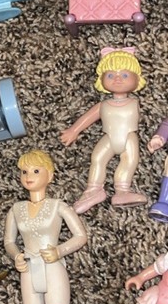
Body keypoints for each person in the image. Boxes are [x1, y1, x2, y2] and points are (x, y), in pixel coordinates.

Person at [4, 149, 87, 304]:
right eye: (24, 171)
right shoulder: (16, 209)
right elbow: (9, 241)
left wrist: (59, 250)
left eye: (35, 171)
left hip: (53, 268)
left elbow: (80, 236)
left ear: (49, 175)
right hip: (29, 269)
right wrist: (17, 255)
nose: (28, 176)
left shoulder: (58, 206)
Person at [60, 47, 147, 213]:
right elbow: (88, 117)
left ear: (137, 79)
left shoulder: (136, 103)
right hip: (108, 138)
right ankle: (93, 190)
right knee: (98, 159)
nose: (117, 79)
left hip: (129, 138)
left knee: (129, 161)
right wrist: (74, 130)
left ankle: (122, 191)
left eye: (125, 75)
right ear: (101, 80)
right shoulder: (103, 105)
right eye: (110, 75)